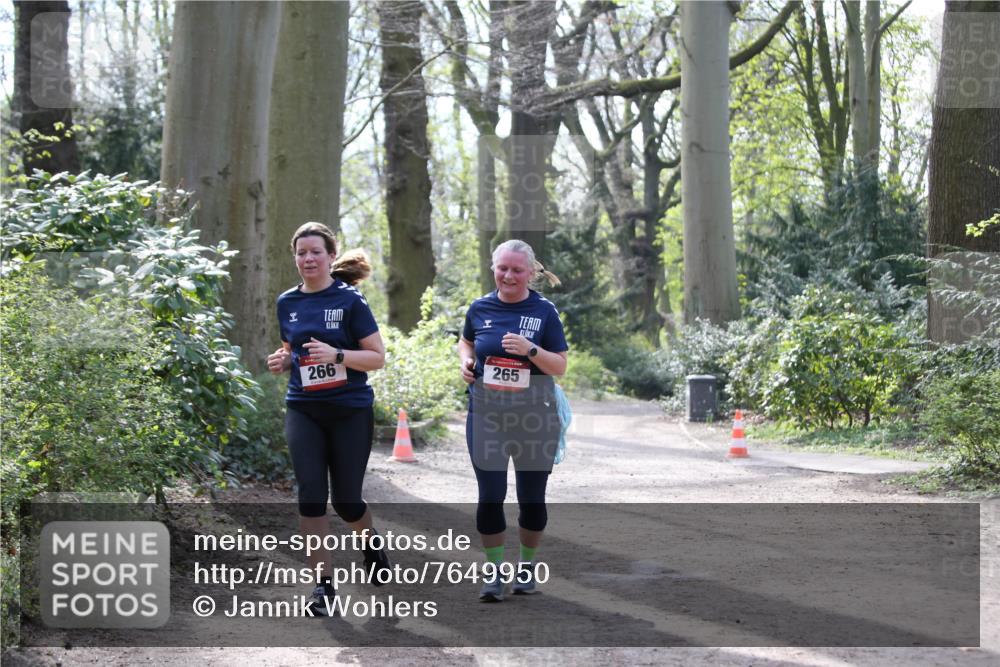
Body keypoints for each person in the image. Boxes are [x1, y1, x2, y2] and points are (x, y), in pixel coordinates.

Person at [266, 221, 391, 616]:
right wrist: (284, 360)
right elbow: (292, 350)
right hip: (303, 407)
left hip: (349, 410)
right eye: (301, 253)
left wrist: (338, 355)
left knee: (347, 501)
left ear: (331, 256)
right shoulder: (287, 302)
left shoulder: (350, 301)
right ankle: (322, 585)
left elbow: (377, 357)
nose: (308, 259)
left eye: (315, 252)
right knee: (311, 495)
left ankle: (370, 542)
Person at [457, 239, 568, 602]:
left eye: (517, 270)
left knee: (531, 500)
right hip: (486, 414)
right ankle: (493, 572)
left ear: (530, 272)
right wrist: (465, 361)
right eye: (502, 268)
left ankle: (527, 567)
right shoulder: (480, 307)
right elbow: (466, 341)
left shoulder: (544, 311)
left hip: (535, 417)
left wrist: (530, 349)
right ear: (494, 268)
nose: (508, 276)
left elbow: (560, 366)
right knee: (490, 496)